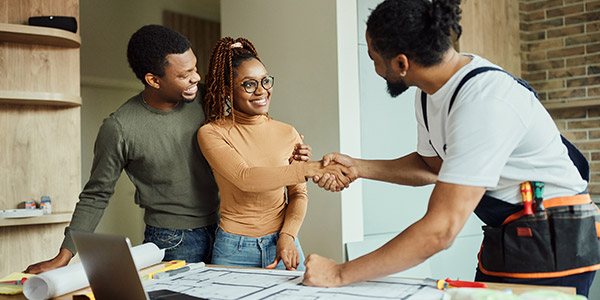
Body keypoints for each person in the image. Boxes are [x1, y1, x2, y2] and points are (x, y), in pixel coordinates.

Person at [303, 0, 599, 296]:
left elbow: (440, 230)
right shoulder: (429, 95)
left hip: (553, 239)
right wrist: (359, 167)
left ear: (401, 63)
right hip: (508, 234)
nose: (374, 67)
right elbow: (433, 167)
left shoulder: (485, 101)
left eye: (374, 57)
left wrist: (339, 274)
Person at [24, 25, 312, 274]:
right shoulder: (120, 127)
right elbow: (96, 195)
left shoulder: (205, 100)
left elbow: (250, 122)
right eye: (185, 75)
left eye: (195, 68)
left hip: (226, 229)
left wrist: (291, 150)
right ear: (153, 79)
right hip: (174, 239)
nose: (197, 79)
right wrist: (65, 255)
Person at [197, 37, 351, 271]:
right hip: (232, 249)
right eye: (249, 84)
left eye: (265, 81)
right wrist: (311, 168)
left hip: (283, 243)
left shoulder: (288, 132)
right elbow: (245, 178)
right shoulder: (211, 133)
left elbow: (298, 193)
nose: (262, 91)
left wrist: (288, 236)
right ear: (228, 91)